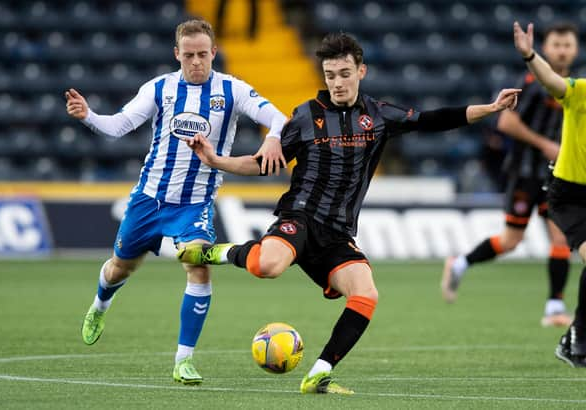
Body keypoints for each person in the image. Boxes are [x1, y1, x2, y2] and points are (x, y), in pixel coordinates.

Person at [177, 33, 520, 393]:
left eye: (344, 73)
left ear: (361, 71)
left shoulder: (379, 115)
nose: (337, 82)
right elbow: (262, 164)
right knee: (268, 266)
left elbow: (433, 120)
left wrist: (491, 108)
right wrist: (216, 160)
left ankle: (320, 373)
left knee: (366, 294)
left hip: (338, 233)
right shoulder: (306, 115)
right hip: (301, 217)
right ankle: (215, 252)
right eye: (330, 75)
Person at [65, 19, 288, 384]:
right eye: (189, 55)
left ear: (214, 52)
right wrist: (88, 115)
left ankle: (183, 360)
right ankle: (100, 304)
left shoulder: (233, 90)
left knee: (197, 264)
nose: (196, 62)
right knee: (120, 268)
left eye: (203, 54)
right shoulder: (159, 88)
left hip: (194, 203)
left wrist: (274, 137)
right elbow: (119, 125)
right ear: (177, 54)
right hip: (148, 200)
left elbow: (279, 118)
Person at [441, 23, 579, 328]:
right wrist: (546, 145)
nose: (562, 50)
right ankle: (460, 262)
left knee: (559, 236)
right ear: (546, 48)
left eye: (567, 44)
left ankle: (554, 307)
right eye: (556, 44)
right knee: (512, 240)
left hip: (556, 175)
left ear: (576, 48)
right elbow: (505, 123)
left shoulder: (574, 85)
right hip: (525, 173)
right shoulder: (532, 82)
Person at [513, 21, 586, 368]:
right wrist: (529, 54)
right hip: (569, 195)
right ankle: (575, 336)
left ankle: (574, 338)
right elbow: (552, 82)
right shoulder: (581, 91)